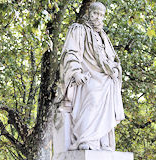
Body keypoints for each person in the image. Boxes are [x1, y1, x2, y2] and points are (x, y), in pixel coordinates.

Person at [58, 2, 125, 151]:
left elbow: (112, 60)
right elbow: (71, 53)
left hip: (105, 77)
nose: (98, 17)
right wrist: (75, 73)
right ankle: (85, 138)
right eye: (95, 13)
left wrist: (115, 69)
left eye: (101, 15)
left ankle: (102, 141)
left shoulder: (104, 37)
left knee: (109, 92)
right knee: (93, 94)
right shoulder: (78, 30)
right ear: (89, 13)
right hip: (87, 76)